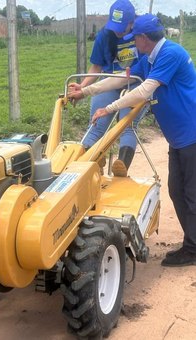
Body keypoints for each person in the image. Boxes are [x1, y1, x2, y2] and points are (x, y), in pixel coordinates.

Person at [68, 13, 196, 267]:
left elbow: (143, 90)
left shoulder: (170, 53)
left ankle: (193, 249)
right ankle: (192, 244)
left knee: (191, 192)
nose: (132, 43)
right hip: (178, 138)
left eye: (134, 38)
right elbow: (122, 79)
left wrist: (110, 108)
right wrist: (86, 91)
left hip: (191, 135)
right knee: (177, 190)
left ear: (143, 38)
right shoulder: (148, 57)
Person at [69, 0, 145, 177]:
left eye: (122, 27)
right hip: (110, 82)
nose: (117, 30)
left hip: (135, 83)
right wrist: (82, 86)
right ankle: (88, 162)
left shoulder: (141, 35)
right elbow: (96, 67)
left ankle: (121, 166)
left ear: (132, 23)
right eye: (115, 26)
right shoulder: (104, 36)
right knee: (96, 124)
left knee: (127, 124)